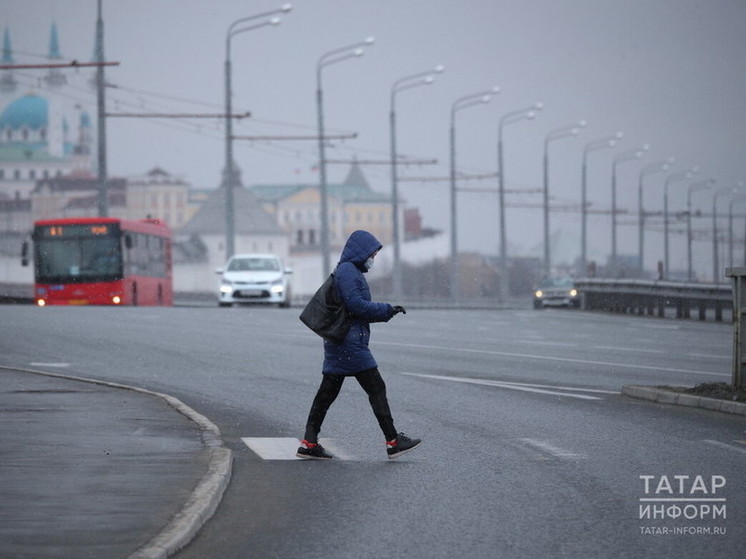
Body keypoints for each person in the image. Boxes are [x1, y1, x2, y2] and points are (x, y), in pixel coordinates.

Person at [297, 230, 421, 460]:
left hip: (342, 341)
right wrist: (386, 309)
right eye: (372, 253)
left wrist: (384, 312)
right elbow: (357, 306)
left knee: (326, 394)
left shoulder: (349, 271)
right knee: (376, 389)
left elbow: (356, 308)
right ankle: (393, 441)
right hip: (349, 344)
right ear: (361, 252)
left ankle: (309, 442)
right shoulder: (348, 272)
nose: (373, 258)